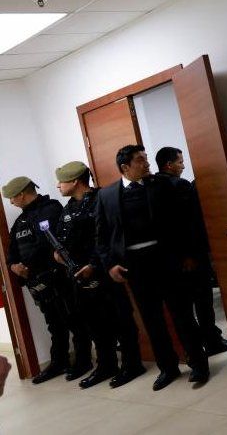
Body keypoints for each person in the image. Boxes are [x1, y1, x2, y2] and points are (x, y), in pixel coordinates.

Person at [94, 145, 210, 390]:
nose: (147, 164)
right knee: (152, 320)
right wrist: (110, 265)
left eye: (146, 159)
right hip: (135, 268)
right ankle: (167, 368)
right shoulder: (106, 196)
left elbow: (183, 222)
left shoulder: (163, 185)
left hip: (166, 260)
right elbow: (102, 237)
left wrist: (188, 254)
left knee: (182, 314)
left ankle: (198, 365)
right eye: (140, 160)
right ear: (125, 167)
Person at [53, 161, 145, 389]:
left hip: (104, 272)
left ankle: (133, 364)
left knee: (120, 318)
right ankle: (106, 365)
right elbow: (62, 240)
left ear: (75, 181)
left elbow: (110, 236)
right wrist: (58, 255)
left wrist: (94, 264)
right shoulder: (68, 208)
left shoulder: (102, 199)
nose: (58, 185)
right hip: (78, 276)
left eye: (61, 180)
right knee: (95, 324)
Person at [2, 176, 91, 384]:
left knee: (74, 320)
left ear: (21, 193)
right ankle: (59, 362)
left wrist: (28, 267)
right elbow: (12, 252)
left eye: (12, 197)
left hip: (58, 279)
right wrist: (15, 266)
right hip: (38, 284)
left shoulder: (51, 209)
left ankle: (84, 361)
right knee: (54, 324)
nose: (11, 202)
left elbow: (47, 243)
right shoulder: (20, 221)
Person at [155, 146, 227, 356]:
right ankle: (212, 340)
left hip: (169, 259)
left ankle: (200, 343)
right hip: (191, 255)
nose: (183, 165)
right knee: (203, 300)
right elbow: (187, 224)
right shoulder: (178, 185)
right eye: (180, 161)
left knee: (185, 307)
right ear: (169, 165)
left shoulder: (152, 186)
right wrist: (191, 254)